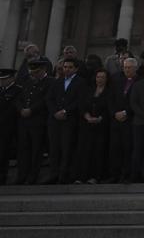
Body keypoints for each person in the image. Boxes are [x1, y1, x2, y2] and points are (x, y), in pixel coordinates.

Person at [44, 56, 85, 184]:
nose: (66, 69)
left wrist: (66, 111)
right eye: (65, 67)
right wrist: (55, 112)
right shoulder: (57, 82)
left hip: (69, 120)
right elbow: (49, 99)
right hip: (55, 120)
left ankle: (64, 175)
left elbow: (79, 101)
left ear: (76, 69)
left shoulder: (81, 82)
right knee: (54, 148)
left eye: (70, 67)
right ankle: (53, 174)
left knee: (67, 148)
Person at [72, 67, 111, 184]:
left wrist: (100, 118)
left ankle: (95, 176)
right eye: (98, 77)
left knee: (97, 151)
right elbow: (82, 105)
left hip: (101, 126)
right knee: (84, 150)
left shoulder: (110, 92)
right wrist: (87, 116)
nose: (100, 79)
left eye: (102, 77)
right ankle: (81, 176)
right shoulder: (89, 90)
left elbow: (110, 108)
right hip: (86, 125)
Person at [14, 59, 49, 184]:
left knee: (36, 151)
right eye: (32, 72)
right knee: (23, 150)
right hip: (24, 121)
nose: (34, 74)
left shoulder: (49, 82)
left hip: (38, 121)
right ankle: (21, 175)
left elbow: (46, 100)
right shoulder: (27, 81)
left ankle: (32, 176)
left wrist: (32, 110)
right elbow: (19, 98)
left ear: (43, 70)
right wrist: (21, 109)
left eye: (37, 72)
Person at [0, 68, 23, 185]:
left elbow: (13, 109)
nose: (1, 81)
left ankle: (2, 177)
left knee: (3, 153)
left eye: (4, 79)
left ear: (12, 78)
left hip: (8, 127)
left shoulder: (17, 91)